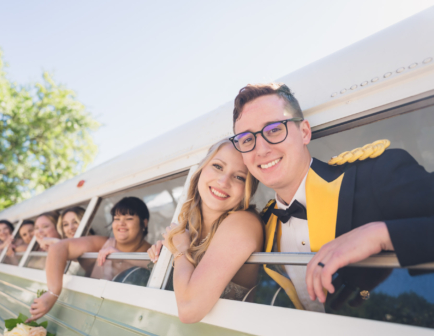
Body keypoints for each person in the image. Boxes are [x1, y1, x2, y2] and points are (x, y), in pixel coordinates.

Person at [230, 83, 434, 310]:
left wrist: (380, 235)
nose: (261, 148)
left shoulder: (378, 173)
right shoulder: (263, 224)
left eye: (275, 129)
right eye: (247, 139)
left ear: (304, 132)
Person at [147, 139, 263, 323]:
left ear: (249, 189)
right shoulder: (189, 227)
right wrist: (166, 253)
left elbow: (188, 310)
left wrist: (181, 252)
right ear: (201, 169)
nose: (224, 181)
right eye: (218, 166)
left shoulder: (243, 222)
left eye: (239, 176)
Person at [27, 197, 151, 321]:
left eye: (129, 219)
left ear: (144, 223)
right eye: (116, 219)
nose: (121, 224)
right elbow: (58, 248)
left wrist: (122, 256)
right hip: (91, 312)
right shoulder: (102, 242)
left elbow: (156, 268)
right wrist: (52, 293)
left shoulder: (153, 251)